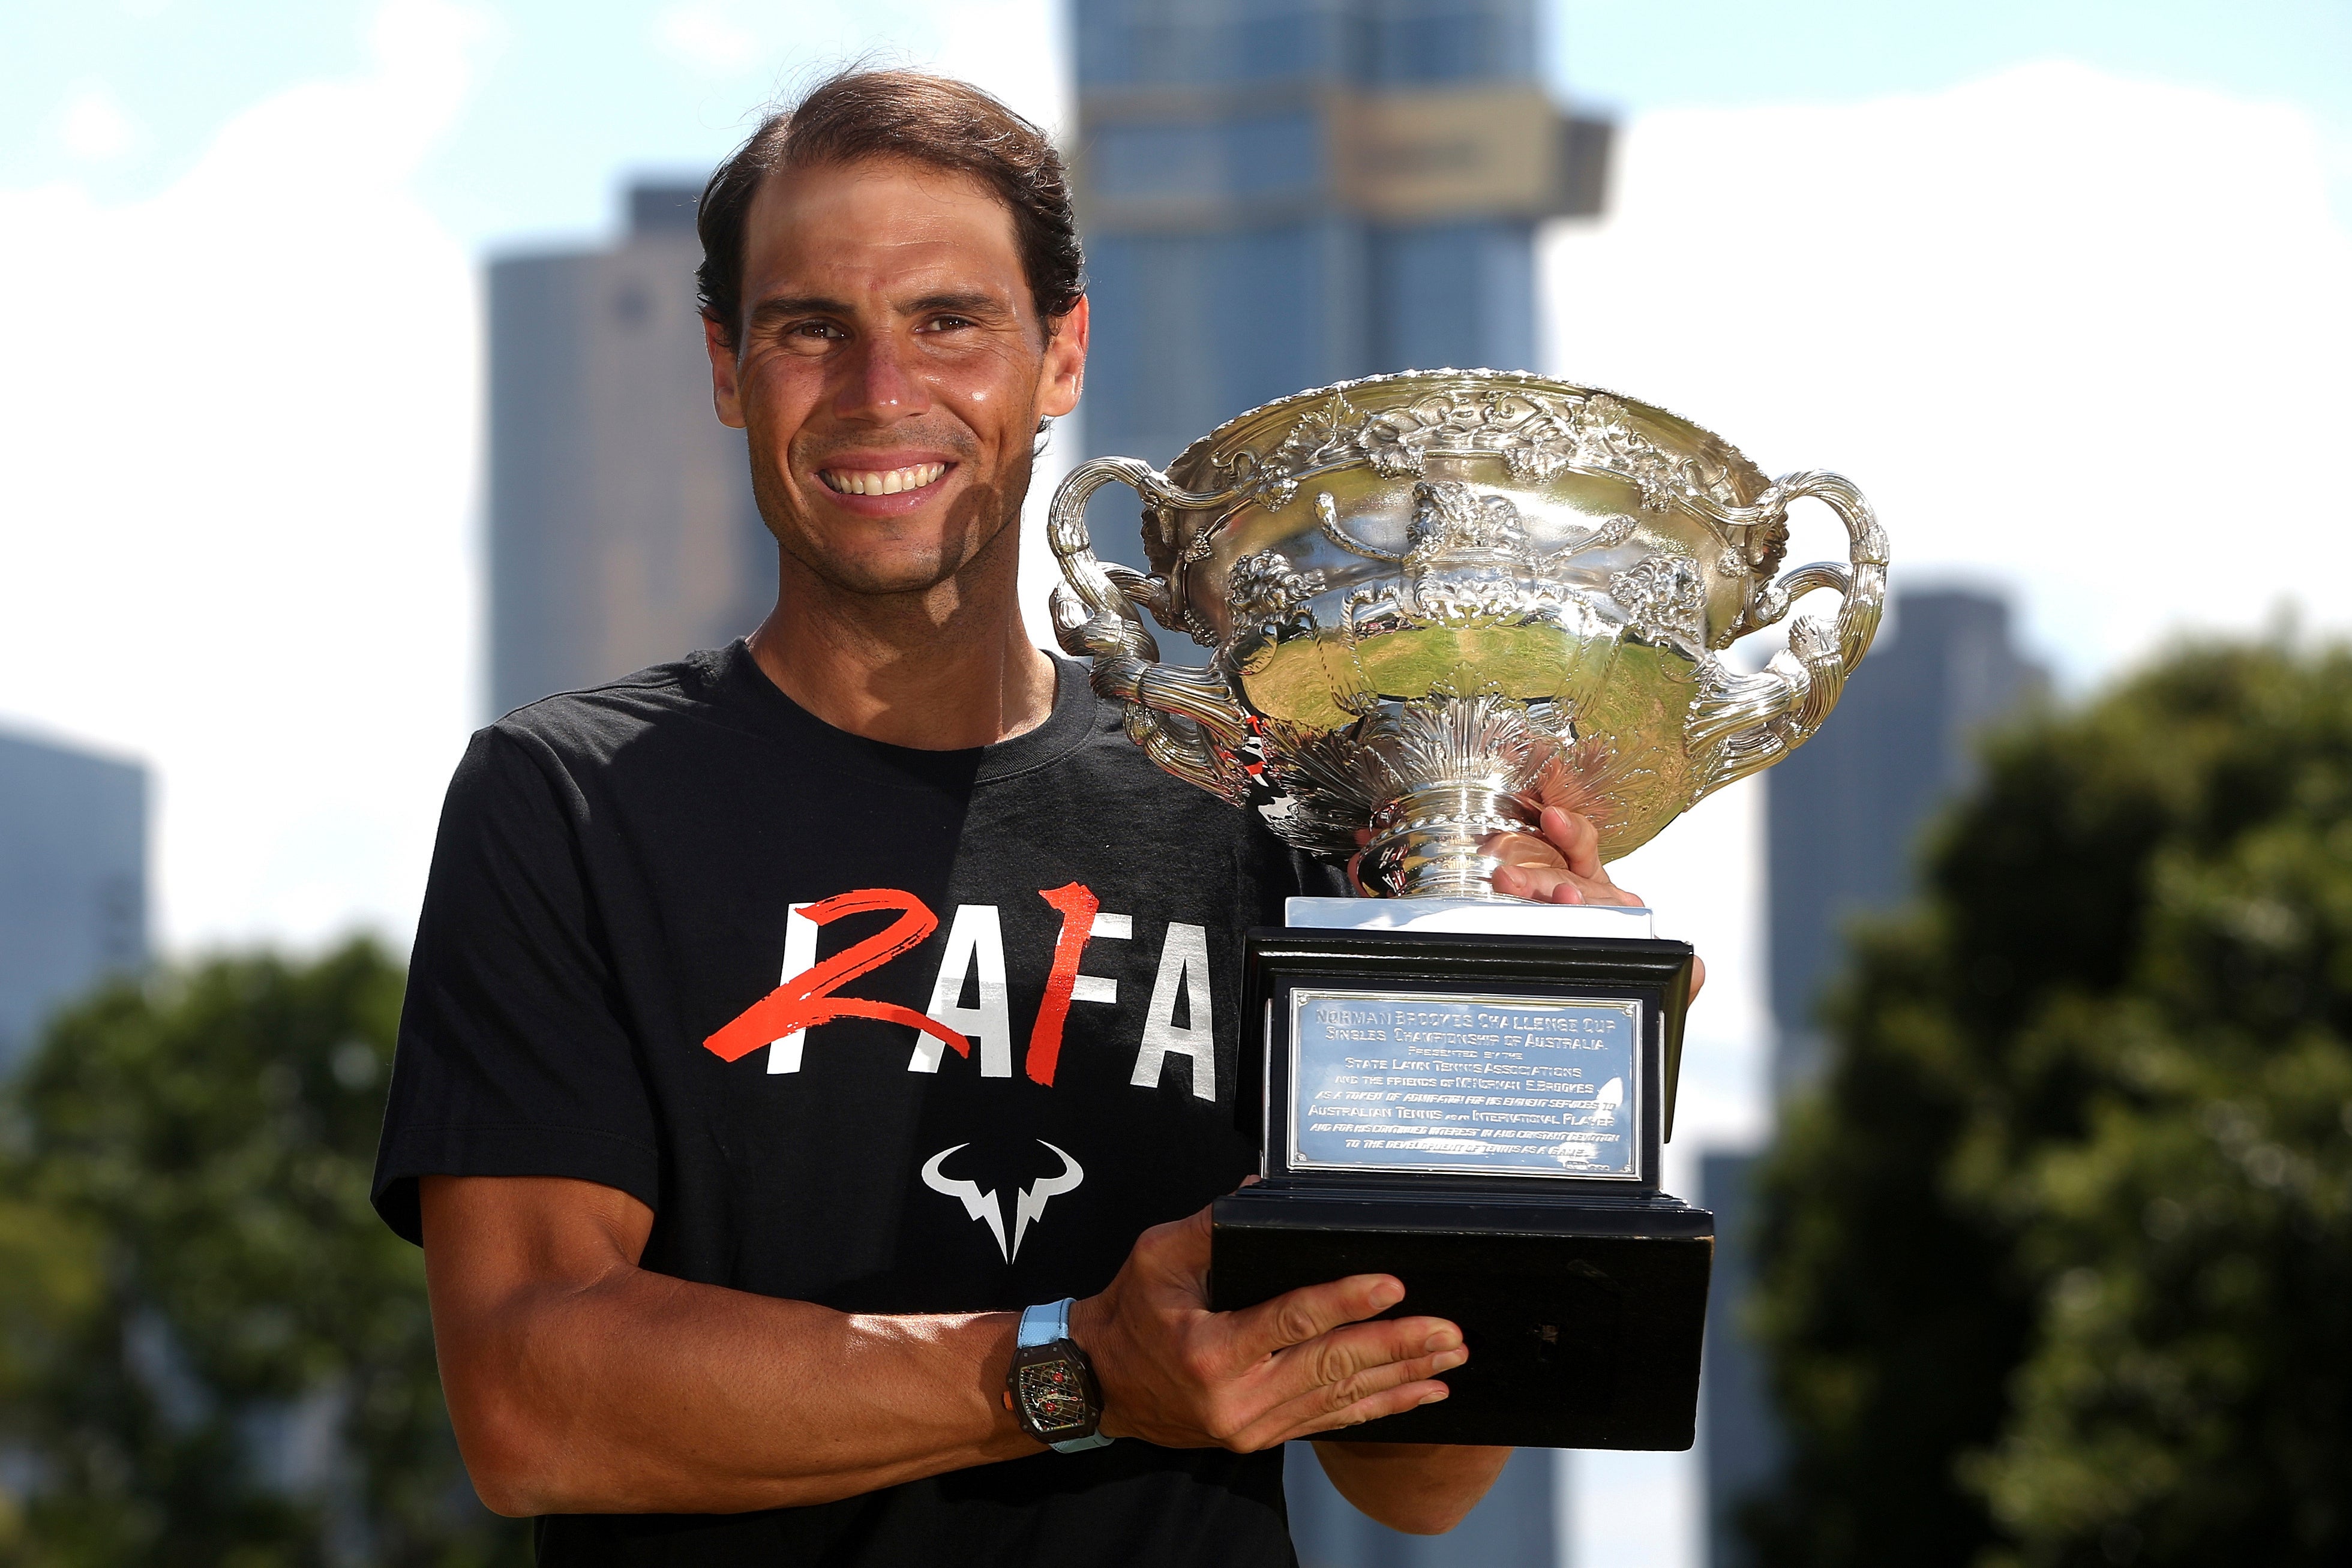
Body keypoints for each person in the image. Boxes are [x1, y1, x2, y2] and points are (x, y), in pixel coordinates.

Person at [372, 69, 1683, 1567]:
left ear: (1060, 353)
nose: (881, 392)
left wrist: (1528, 1054)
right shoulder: (571, 801)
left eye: (948, 319)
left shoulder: (1260, 801)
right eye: (812, 328)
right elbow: (533, 1403)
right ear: (727, 366)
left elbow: (1417, 1474)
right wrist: (1067, 1367)